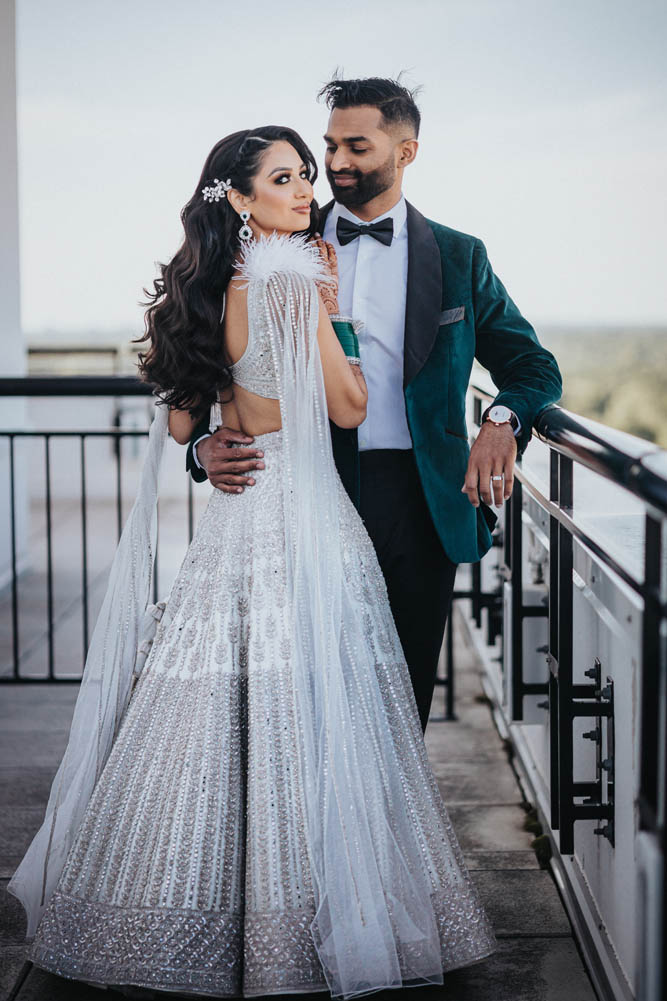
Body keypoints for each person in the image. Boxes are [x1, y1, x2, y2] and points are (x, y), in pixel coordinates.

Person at [8, 125, 498, 999]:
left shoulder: (207, 287)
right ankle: (310, 912)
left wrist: (223, 432)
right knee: (318, 715)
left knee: (215, 715)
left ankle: (183, 905)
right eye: (284, 177)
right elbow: (346, 407)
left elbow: (184, 426)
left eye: (307, 173)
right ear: (239, 197)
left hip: (239, 522)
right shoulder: (295, 276)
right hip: (309, 512)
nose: (307, 187)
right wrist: (329, 309)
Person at [185, 78, 563, 732]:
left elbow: (532, 365)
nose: (333, 163)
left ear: (404, 152)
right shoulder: (277, 236)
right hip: (305, 492)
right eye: (328, 145)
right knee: (291, 707)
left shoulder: (458, 255)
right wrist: (199, 446)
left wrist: (502, 419)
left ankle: (383, 834)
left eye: (355, 146)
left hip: (421, 504)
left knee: (399, 702)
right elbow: (194, 350)